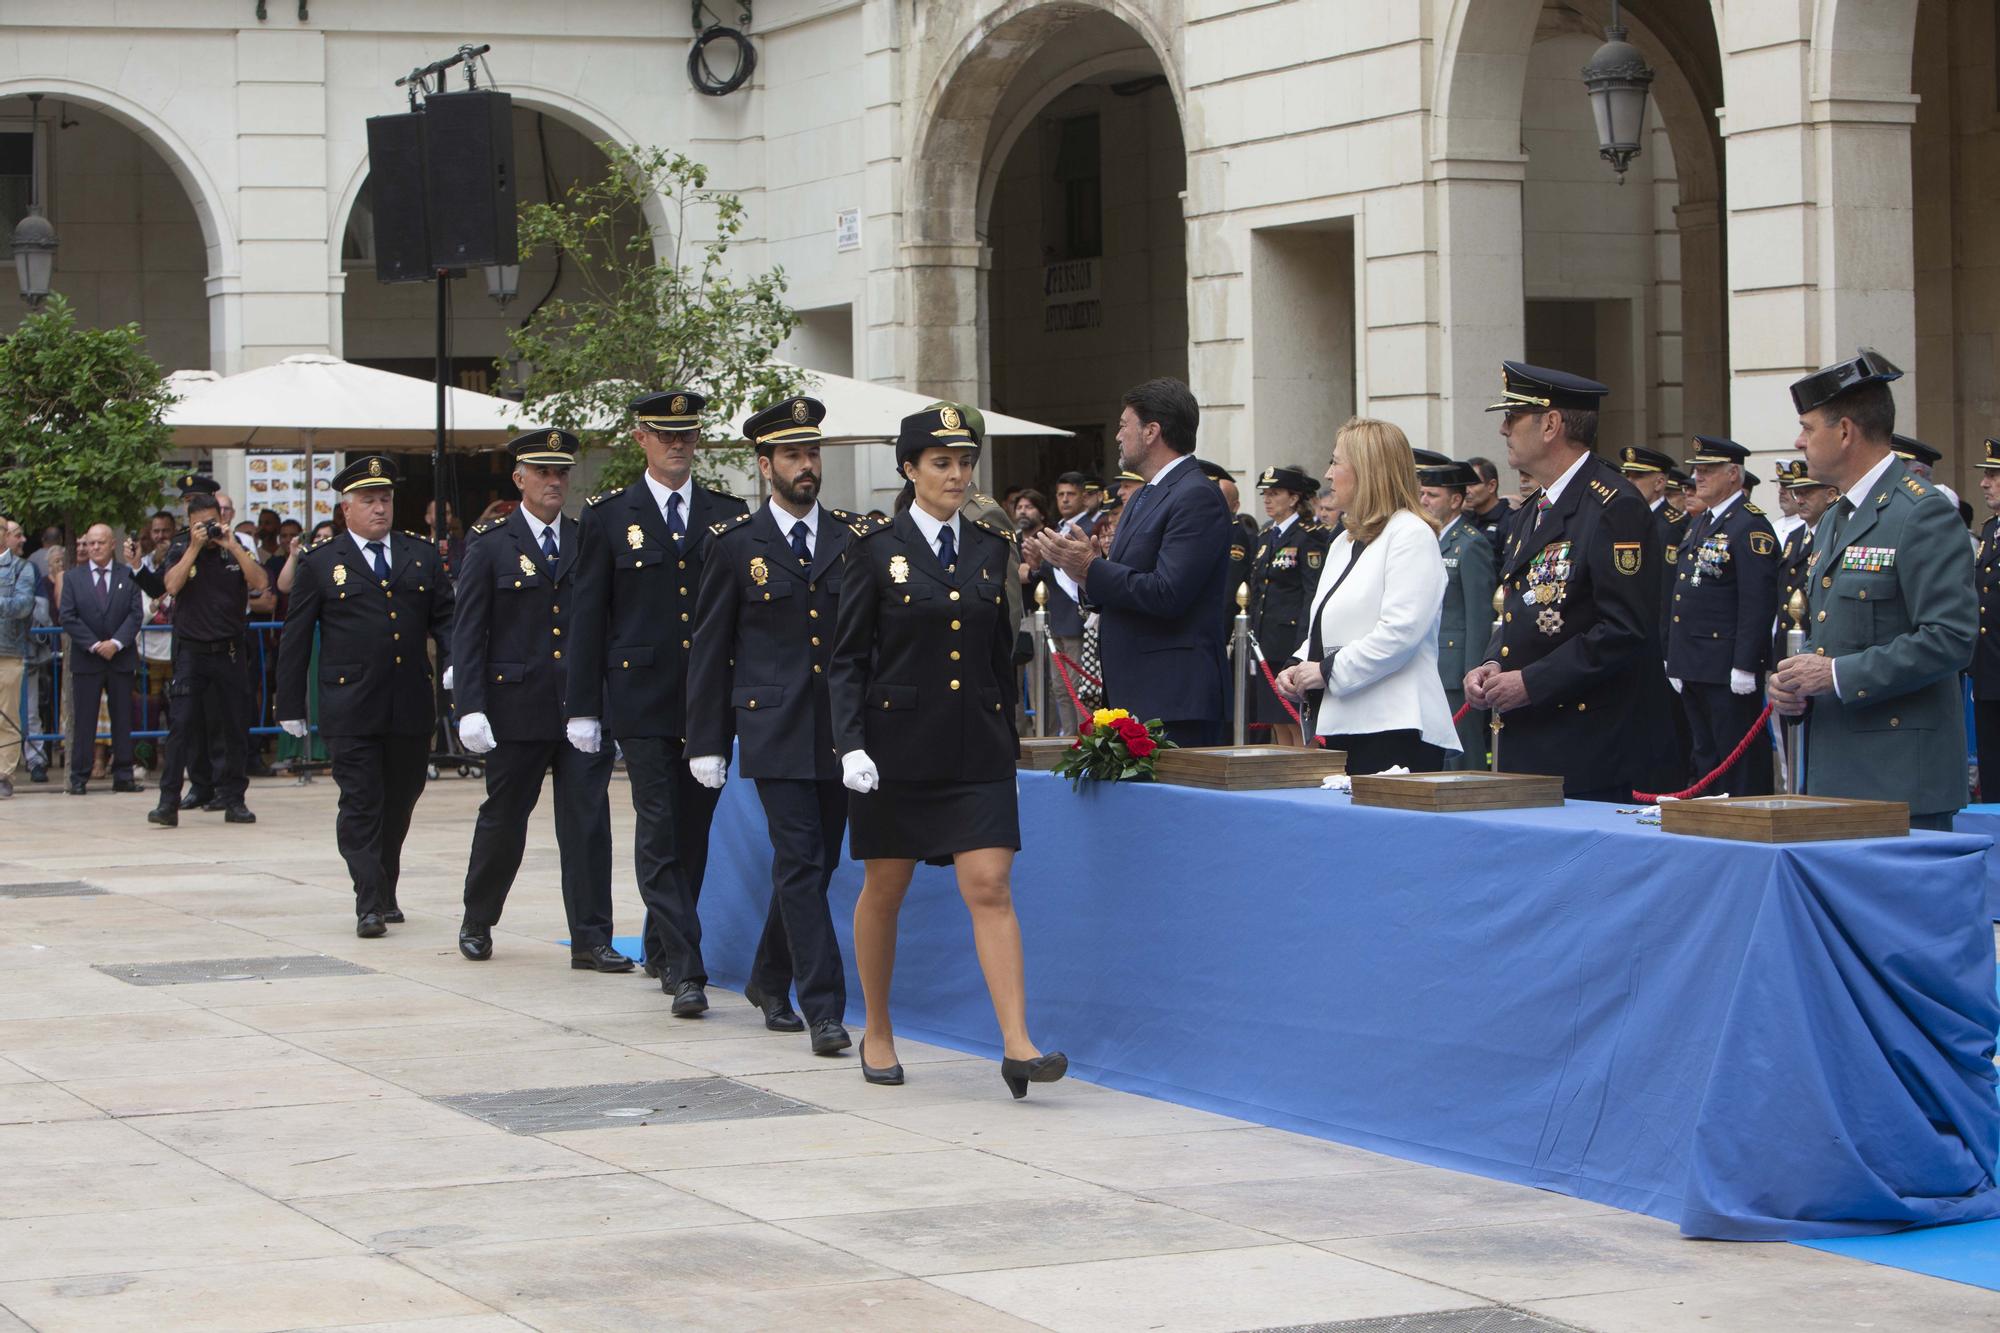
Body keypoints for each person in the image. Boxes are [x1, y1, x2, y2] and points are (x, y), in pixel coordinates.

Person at [830, 406, 1066, 1098]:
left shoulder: (991, 547)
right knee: (886, 888)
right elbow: (846, 660)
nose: (957, 475)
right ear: (909, 469)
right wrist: (850, 744)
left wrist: (1011, 746)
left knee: (990, 884)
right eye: (941, 462)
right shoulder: (873, 549)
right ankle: (876, 1026)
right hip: (895, 748)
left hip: (976, 745)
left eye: (965, 462)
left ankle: (1017, 1042)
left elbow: (1000, 659)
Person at [566, 389, 747, 1012]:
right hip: (641, 698)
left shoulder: (727, 513)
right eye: (665, 434)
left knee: (695, 834)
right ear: (640, 437)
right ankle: (686, 967)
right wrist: (582, 705)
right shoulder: (609, 516)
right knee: (659, 829)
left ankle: (664, 943)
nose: (677, 444)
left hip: (708, 701)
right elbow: (588, 614)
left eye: (687, 434)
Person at [687, 395, 854, 1055]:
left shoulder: (850, 537)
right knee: (800, 858)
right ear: (765, 465)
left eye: (812, 453)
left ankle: (766, 976)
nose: (806, 465)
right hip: (773, 728)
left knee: (819, 862)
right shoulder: (735, 547)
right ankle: (825, 1008)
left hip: (840, 732)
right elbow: (709, 648)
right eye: (792, 455)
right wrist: (705, 740)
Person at [1769, 350, 1976, 830]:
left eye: (1808, 427)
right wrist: (1796, 686)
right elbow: (1833, 635)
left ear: (1844, 432)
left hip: (1898, 783)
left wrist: (1837, 675)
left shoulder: (1919, 512)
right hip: (1835, 775)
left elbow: (1951, 638)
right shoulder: (1836, 517)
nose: (1799, 441)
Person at [451, 430, 625, 972]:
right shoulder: (490, 543)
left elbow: (607, 627)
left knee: (587, 824)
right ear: (519, 478)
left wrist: (604, 705)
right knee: (504, 819)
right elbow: (469, 631)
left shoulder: (586, 539)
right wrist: (471, 706)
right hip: (515, 709)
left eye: (561, 472)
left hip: (579, 712)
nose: (554, 482)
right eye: (542, 472)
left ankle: (591, 939)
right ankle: (478, 919)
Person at [1463, 362, 1673, 800]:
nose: (1503, 429)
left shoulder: (1614, 506)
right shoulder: (1531, 512)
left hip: (1586, 740)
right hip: (1533, 731)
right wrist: (1492, 664)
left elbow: (1623, 629)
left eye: (1512, 417)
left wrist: (1531, 682)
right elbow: (1520, 610)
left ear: (1551, 424)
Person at [276, 455, 455, 934]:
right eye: (369, 500)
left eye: (385, 499)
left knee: (400, 800)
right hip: (350, 705)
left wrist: (455, 663)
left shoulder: (419, 555)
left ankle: (385, 886)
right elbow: (295, 636)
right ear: (346, 508)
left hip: (409, 703)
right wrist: (289, 704)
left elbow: (446, 617)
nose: (379, 509)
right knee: (361, 802)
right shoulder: (321, 562)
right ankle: (368, 902)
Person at [1026, 378, 1232, 747]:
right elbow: (1129, 580)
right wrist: (1084, 573)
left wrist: (1092, 567)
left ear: (1152, 431)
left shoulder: (1196, 495)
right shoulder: (1142, 497)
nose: (1118, 436)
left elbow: (1168, 593)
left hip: (1175, 698)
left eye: (1124, 425)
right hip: (1135, 694)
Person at [1273, 419, 1458, 772]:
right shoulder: (1344, 541)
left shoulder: (1410, 535)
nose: (1327, 474)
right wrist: (1297, 664)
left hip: (1395, 727)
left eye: (1336, 462)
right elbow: (1326, 626)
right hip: (1345, 722)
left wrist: (1326, 671)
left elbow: (1400, 632)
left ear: (1367, 470)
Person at [134, 476, 268, 826]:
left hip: (230, 651)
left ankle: (235, 799)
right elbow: (171, 587)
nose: (207, 529)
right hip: (192, 652)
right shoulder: (181, 548)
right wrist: (194, 546)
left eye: (212, 522)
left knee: (235, 726)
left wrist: (233, 546)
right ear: (190, 524)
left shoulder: (236, 545)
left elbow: (260, 583)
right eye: (200, 524)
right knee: (181, 728)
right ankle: (168, 802)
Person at [1666, 436, 1778, 796]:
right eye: (1697, 469)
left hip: (1726, 664)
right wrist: (1676, 658)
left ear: (1733, 474)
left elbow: (1756, 601)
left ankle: (1743, 821)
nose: (1698, 476)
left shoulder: (1749, 525)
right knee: (1706, 754)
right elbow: (1686, 592)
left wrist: (1746, 663)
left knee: (1737, 759)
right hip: (1695, 662)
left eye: (1708, 470)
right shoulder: (1702, 522)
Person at [1418, 458, 1499, 768]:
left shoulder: (1470, 544)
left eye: (1432, 495)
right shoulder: (1427, 539)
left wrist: (1472, 672)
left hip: (1454, 667)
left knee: (1461, 753)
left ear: (1455, 500)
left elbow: (1478, 617)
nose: (1424, 500)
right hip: (1427, 661)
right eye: (1423, 494)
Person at [1246, 465, 1328, 746]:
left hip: (1291, 641)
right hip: (1266, 642)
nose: (1267, 499)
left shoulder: (1309, 536)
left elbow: (1311, 594)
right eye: (1265, 493)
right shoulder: (1266, 536)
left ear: (1294, 498)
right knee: (1276, 722)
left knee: (1296, 721)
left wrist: (1303, 644)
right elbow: (1259, 590)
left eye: (1275, 493)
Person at [58, 524, 142, 795]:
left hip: (120, 657)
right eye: (90, 543)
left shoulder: (128, 575)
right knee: (84, 719)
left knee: (122, 717)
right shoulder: (73, 578)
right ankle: (79, 777)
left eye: (100, 543)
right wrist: (95, 645)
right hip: (88, 658)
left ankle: (123, 775)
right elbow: (67, 616)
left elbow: (135, 614)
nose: (94, 548)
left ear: (112, 544)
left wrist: (116, 643)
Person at [0, 517, 34, 799]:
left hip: (7, 653)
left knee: (7, 717)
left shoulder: (21, 568)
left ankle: (4, 774)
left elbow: (23, 606)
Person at [1974, 439, 2000, 796]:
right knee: (1993, 773)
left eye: (1994, 475)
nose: (1984, 482)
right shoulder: (1990, 530)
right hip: (1989, 671)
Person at [1464, 455, 1510, 556]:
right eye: (1464, 484)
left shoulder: (1510, 521)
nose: (1466, 490)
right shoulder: (1465, 519)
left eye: (1472, 484)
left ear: (1491, 486)